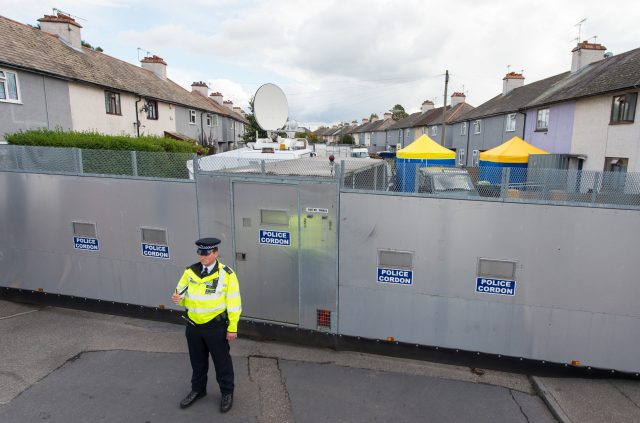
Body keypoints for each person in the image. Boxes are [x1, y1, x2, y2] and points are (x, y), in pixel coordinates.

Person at [171, 237, 242, 413]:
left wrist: (232, 327)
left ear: (215, 253)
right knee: (197, 361)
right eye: (200, 254)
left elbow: (234, 302)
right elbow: (181, 292)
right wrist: (178, 299)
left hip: (215, 327)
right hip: (193, 326)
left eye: (206, 254)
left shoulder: (227, 274)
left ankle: (227, 392)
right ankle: (198, 390)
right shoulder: (190, 271)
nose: (202, 257)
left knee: (222, 362)